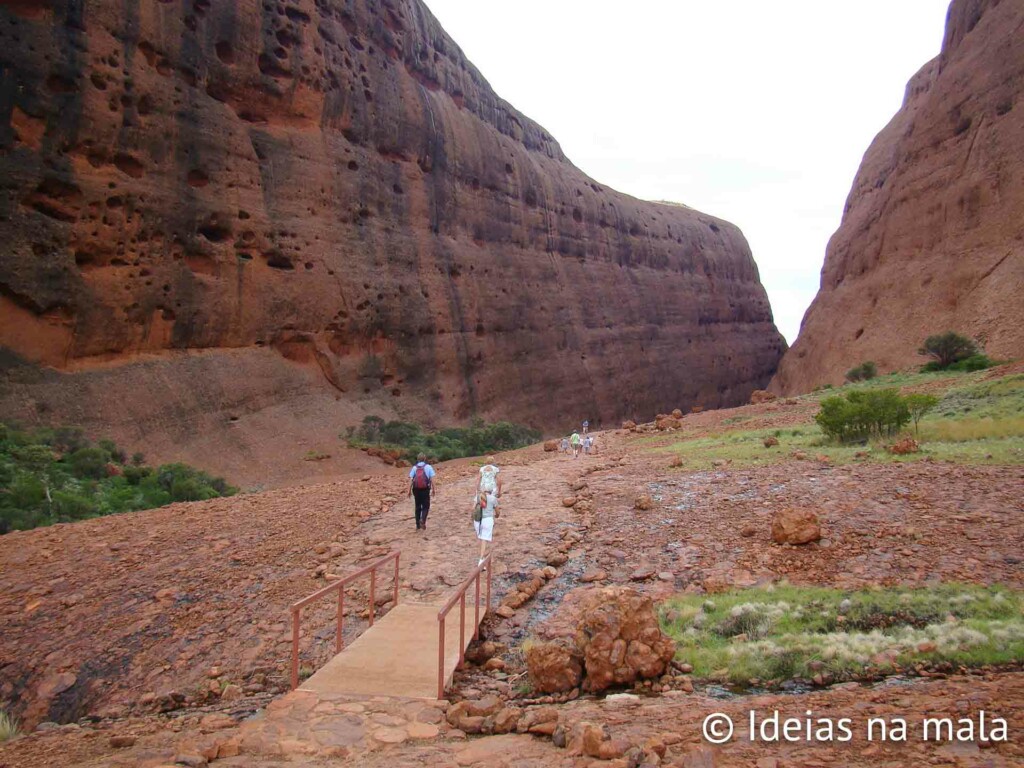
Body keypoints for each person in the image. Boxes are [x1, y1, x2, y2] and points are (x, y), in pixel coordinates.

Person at [407, 453, 436, 530]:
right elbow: (432, 479)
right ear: (425, 458)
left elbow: (411, 480)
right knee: (426, 506)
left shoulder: (414, 468)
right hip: (425, 489)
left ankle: (417, 525)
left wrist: (409, 490)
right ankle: (422, 520)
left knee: (417, 506)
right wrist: (434, 489)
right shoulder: (428, 467)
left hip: (416, 490)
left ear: (417, 459)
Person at [473, 489, 500, 566]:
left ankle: (481, 557)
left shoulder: (478, 496)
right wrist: (496, 516)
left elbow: (473, 508)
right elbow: (497, 512)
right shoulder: (493, 498)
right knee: (484, 540)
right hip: (487, 520)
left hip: (477, 520)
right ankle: (481, 560)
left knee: (481, 538)